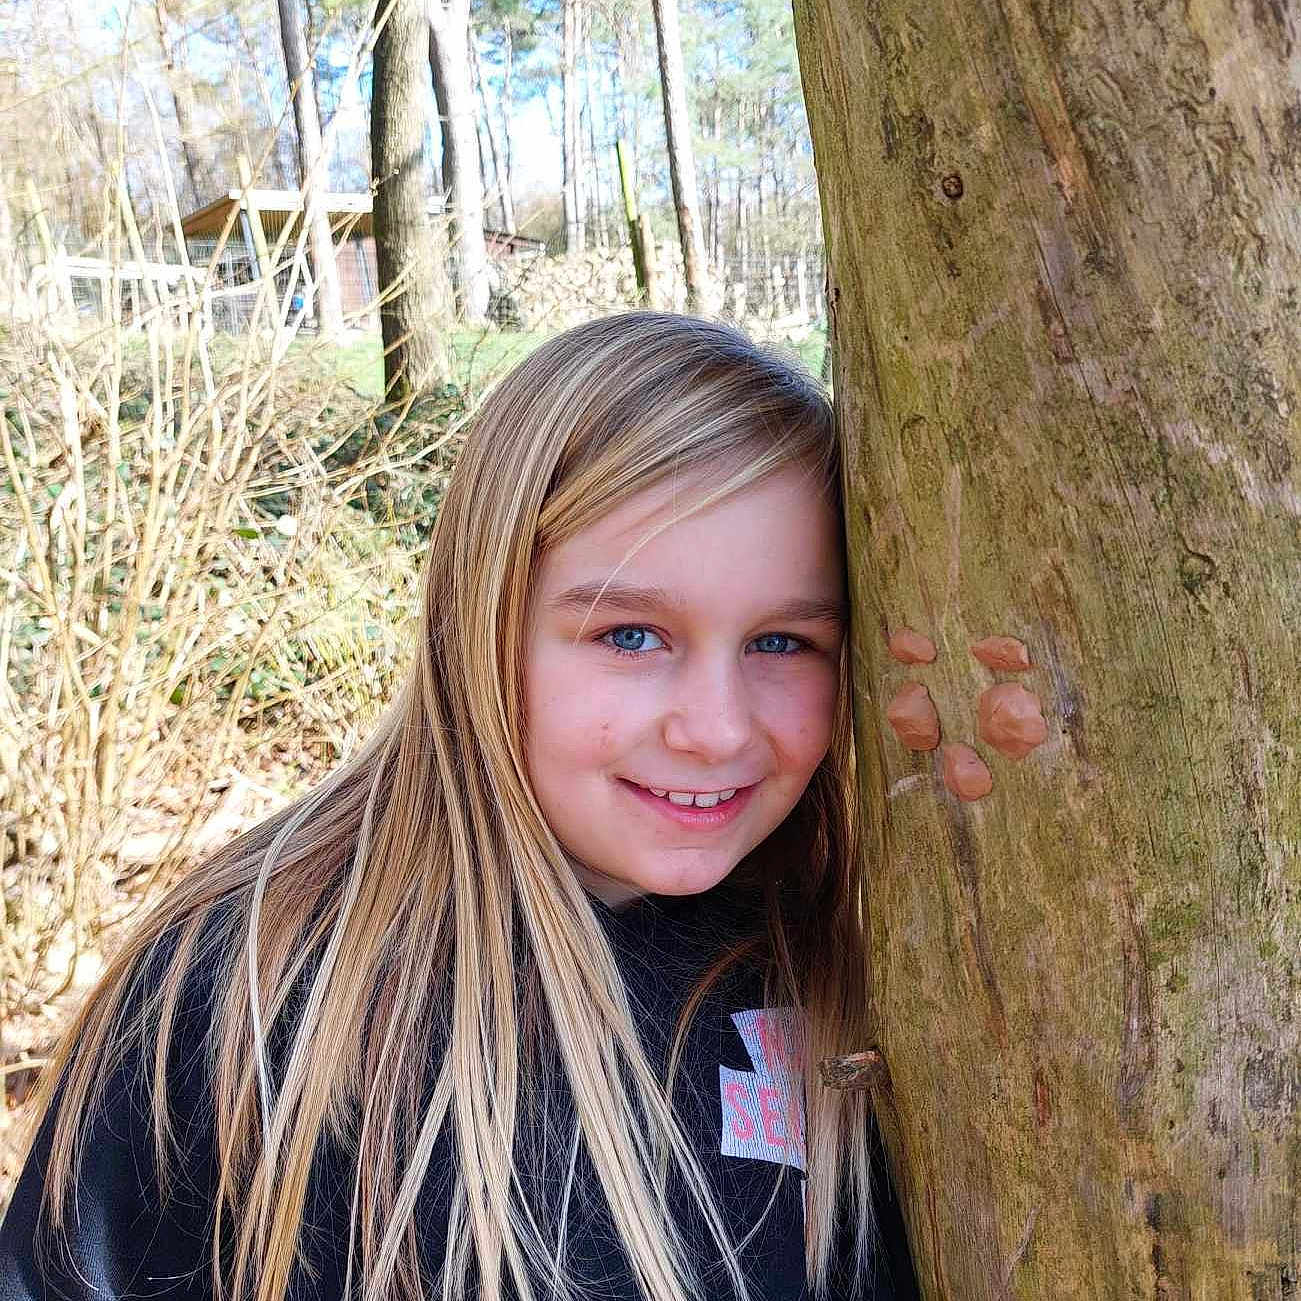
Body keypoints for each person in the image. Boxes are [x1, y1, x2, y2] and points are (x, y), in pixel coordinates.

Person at [0, 312, 918, 1301]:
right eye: (630, 635)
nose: (716, 728)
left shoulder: (853, 958)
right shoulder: (264, 990)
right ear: (479, 618)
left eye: (780, 642)